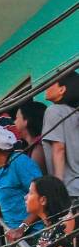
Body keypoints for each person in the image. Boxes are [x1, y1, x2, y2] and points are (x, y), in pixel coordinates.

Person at [42, 70, 79, 207]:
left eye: (52, 83)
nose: (46, 86)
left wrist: (58, 189)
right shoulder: (75, 114)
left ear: (62, 89)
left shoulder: (54, 111)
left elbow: (59, 148)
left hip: (70, 191)